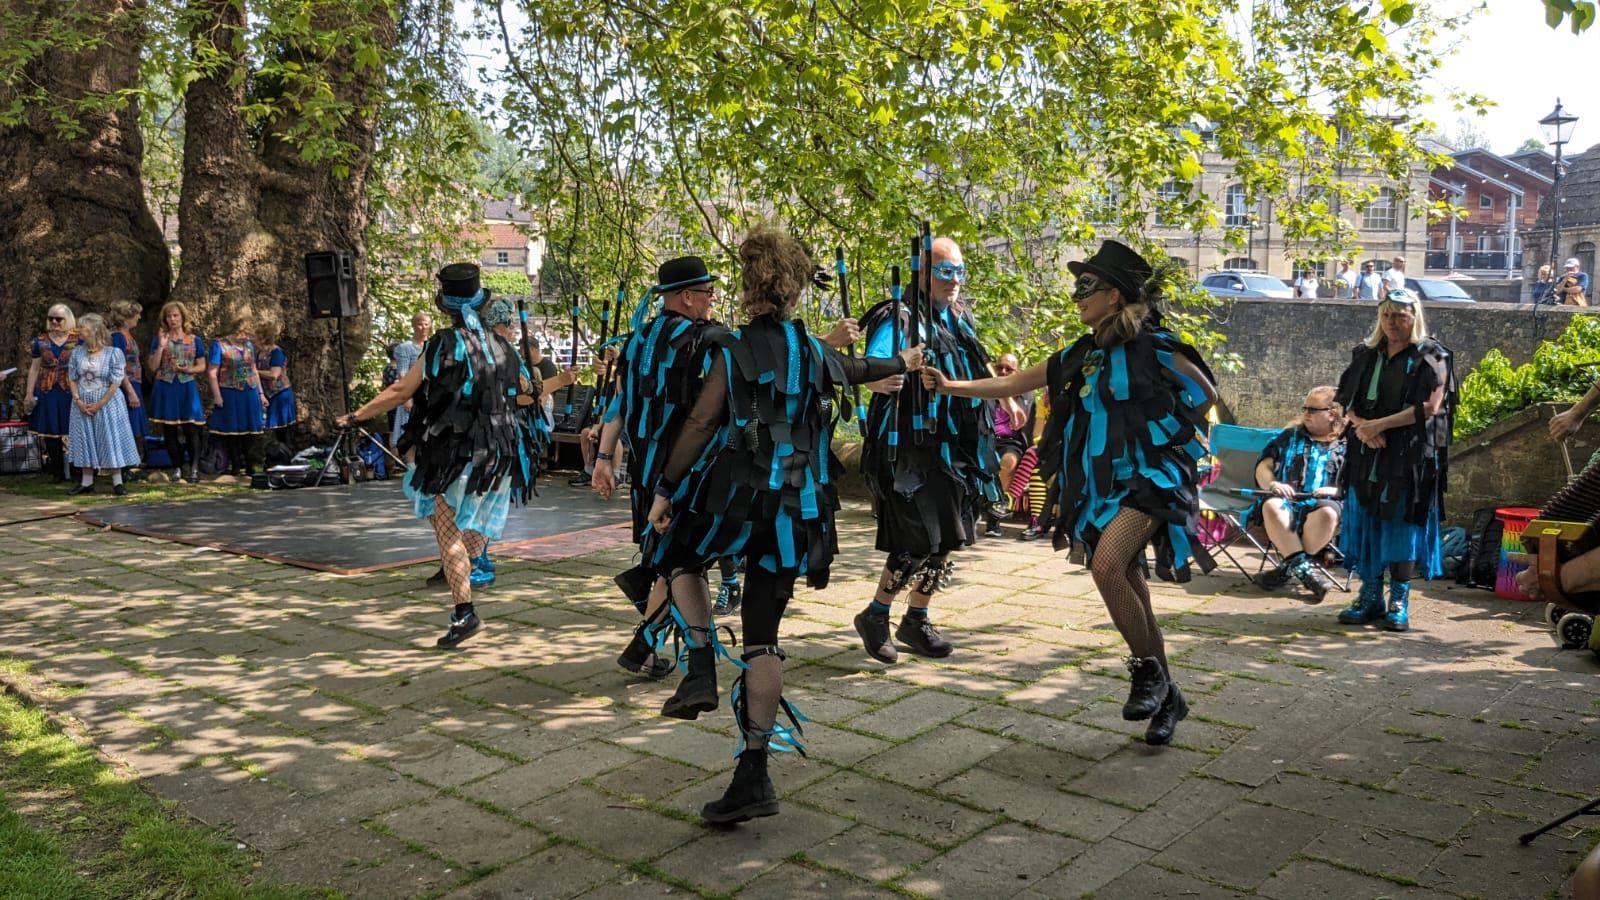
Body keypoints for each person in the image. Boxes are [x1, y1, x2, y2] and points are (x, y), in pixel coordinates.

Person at [644, 224, 923, 824]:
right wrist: (903, 360)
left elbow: (698, 425)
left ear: (749, 287)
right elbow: (858, 368)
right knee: (763, 634)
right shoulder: (813, 351)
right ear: (796, 288)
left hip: (734, 502)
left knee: (673, 555)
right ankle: (753, 768)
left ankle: (698, 666)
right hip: (796, 511)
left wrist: (666, 489)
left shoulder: (731, 349)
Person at [924, 239, 1217, 747]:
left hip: (1150, 479)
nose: (1077, 295)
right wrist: (949, 386)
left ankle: (1147, 673)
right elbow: (1016, 381)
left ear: (1117, 296)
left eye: (1088, 287)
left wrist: (1165, 439)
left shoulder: (1157, 347)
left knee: (1105, 566)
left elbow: (1205, 394)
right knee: (1126, 577)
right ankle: (1168, 695)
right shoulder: (1080, 355)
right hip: (1101, 487)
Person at [593, 255, 771, 698]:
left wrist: (604, 455)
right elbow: (770, 366)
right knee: (685, 565)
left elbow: (620, 405)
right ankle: (691, 663)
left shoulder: (636, 341)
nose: (712, 301)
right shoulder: (712, 343)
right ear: (687, 297)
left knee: (676, 564)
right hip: (689, 477)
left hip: (647, 474)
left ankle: (644, 647)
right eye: (708, 293)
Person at [337, 264, 541, 648]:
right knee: (466, 530)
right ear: (480, 302)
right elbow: (529, 392)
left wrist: (356, 415)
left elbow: (401, 391)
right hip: (497, 454)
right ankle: (470, 580)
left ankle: (465, 613)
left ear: (446, 305)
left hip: (454, 455)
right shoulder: (503, 347)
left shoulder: (441, 344)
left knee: (447, 534)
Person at [854, 235, 1001, 664]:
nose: (954, 280)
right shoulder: (897, 316)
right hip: (909, 446)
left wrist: (1004, 397)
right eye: (944, 271)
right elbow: (872, 366)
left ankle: (916, 617)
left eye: (959, 271)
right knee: (916, 537)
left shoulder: (958, 316)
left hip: (955, 444)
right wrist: (880, 379)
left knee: (950, 537)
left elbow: (978, 362)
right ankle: (877, 614)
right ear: (922, 273)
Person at [1332, 288, 1452, 632]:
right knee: (1366, 521)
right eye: (1386, 315)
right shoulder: (1366, 354)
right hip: (1366, 451)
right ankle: (1369, 596)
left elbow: (1430, 408)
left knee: (1400, 525)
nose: (1392, 323)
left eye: (1400, 315)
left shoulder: (1433, 355)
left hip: (1409, 456)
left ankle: (1398, 600)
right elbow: (1346, 400)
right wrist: (1362, 428)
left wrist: (1378, 425)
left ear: (1414, 317)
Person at [1247, 387, 1346, 602]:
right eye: (1305, 408)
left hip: (1327, 506)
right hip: (1286, 505)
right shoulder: (1289, 436)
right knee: (1272, 504)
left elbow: (1359, 482)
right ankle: (1306, 571)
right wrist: (1273, 484)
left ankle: (1288, 568)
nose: (1306, 413)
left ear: (1333, 413)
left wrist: (1336, 490)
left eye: (1313, 409)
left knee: (1328, 513)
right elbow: (1263, 466)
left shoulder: (1349, 443)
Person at [64, 314, 142, 496]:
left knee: (110, 437)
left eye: (82, 328)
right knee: (85, 438)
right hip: (82, 401)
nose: (79, 332)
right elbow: (72, 377)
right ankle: (86, 482)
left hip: (107, 401)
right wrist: (77, 400)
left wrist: (101, 403)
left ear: (94, 331)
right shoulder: (77, 353)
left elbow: (116, 381)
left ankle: (117, 482)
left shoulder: (113, 353)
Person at [146, 301, 208, 483]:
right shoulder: (159, 338)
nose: (172, 319)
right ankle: (177, 467)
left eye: (176, 315)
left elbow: (202, 365)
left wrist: (188, 370)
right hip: (166, 386)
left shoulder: (194, 339)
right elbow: (152, 366)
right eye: (169, 316)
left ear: (182, 317)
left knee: (191, 429)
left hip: (186, 386)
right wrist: (161, 347)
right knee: (170, 431)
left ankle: (194, 469)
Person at [22, 304, 79, 481]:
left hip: (71, 390)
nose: (54, 322)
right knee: (50, 430)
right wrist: (29, 393)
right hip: (47, 390)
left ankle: (77, 470)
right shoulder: (40, 341)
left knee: (74, 430)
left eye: (58, 319)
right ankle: (57, 471)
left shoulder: (79, 339)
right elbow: (34, 368)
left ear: (67, 319)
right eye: (51, 318)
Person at [207, 311, 267, 477]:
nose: (247, 337)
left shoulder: (249, 345)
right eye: (245, 333)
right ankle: (234, 466)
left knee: (250, 431)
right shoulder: (219, 345)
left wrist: (261, 393)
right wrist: (217, 395)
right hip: (229, 390)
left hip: (249, 391)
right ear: (236, 330)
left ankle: (250, 466)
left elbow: (253, 369)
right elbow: (212, 372)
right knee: (231, 430)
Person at [984, 352, 1032, 537]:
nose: (1003, 371)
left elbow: (1025, 422)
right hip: (986, 437)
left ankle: (993, 516)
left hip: (1009, 441)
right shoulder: (986, 388)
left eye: (1008, 369)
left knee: (1009, 462)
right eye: (999, 367)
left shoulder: (1025, 394)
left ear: (1016, 372)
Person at [106, 301, 148, 476]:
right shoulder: (118, 337)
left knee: (134, 425)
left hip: (135, 384)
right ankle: (123, 468)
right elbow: (118, 366)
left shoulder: (128, 335)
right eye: (136, 314)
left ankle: (131, 464)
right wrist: (129, 391)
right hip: (125, 386)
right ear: (127, 317)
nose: (139, 317)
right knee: (126, 424)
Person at [392, 311, 431, 458]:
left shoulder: (432, 345)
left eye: (426, 324)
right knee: (409, 434)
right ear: (414, 326)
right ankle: (410, 467)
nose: (423, 327)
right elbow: (403, 373)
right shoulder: (405, 348)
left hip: (428, 394)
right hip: (412, 393)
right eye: (420, 324)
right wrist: (407, 397)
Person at [254, 320, 297, 444]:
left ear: (263, 338)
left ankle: (285, 456)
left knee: (281, 431)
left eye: (256, 336)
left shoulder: (276, 352)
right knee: (270, 429)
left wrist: (256, 371)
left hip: (280, 393)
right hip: (269, 394)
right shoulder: (259, 353)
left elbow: (274, 374)